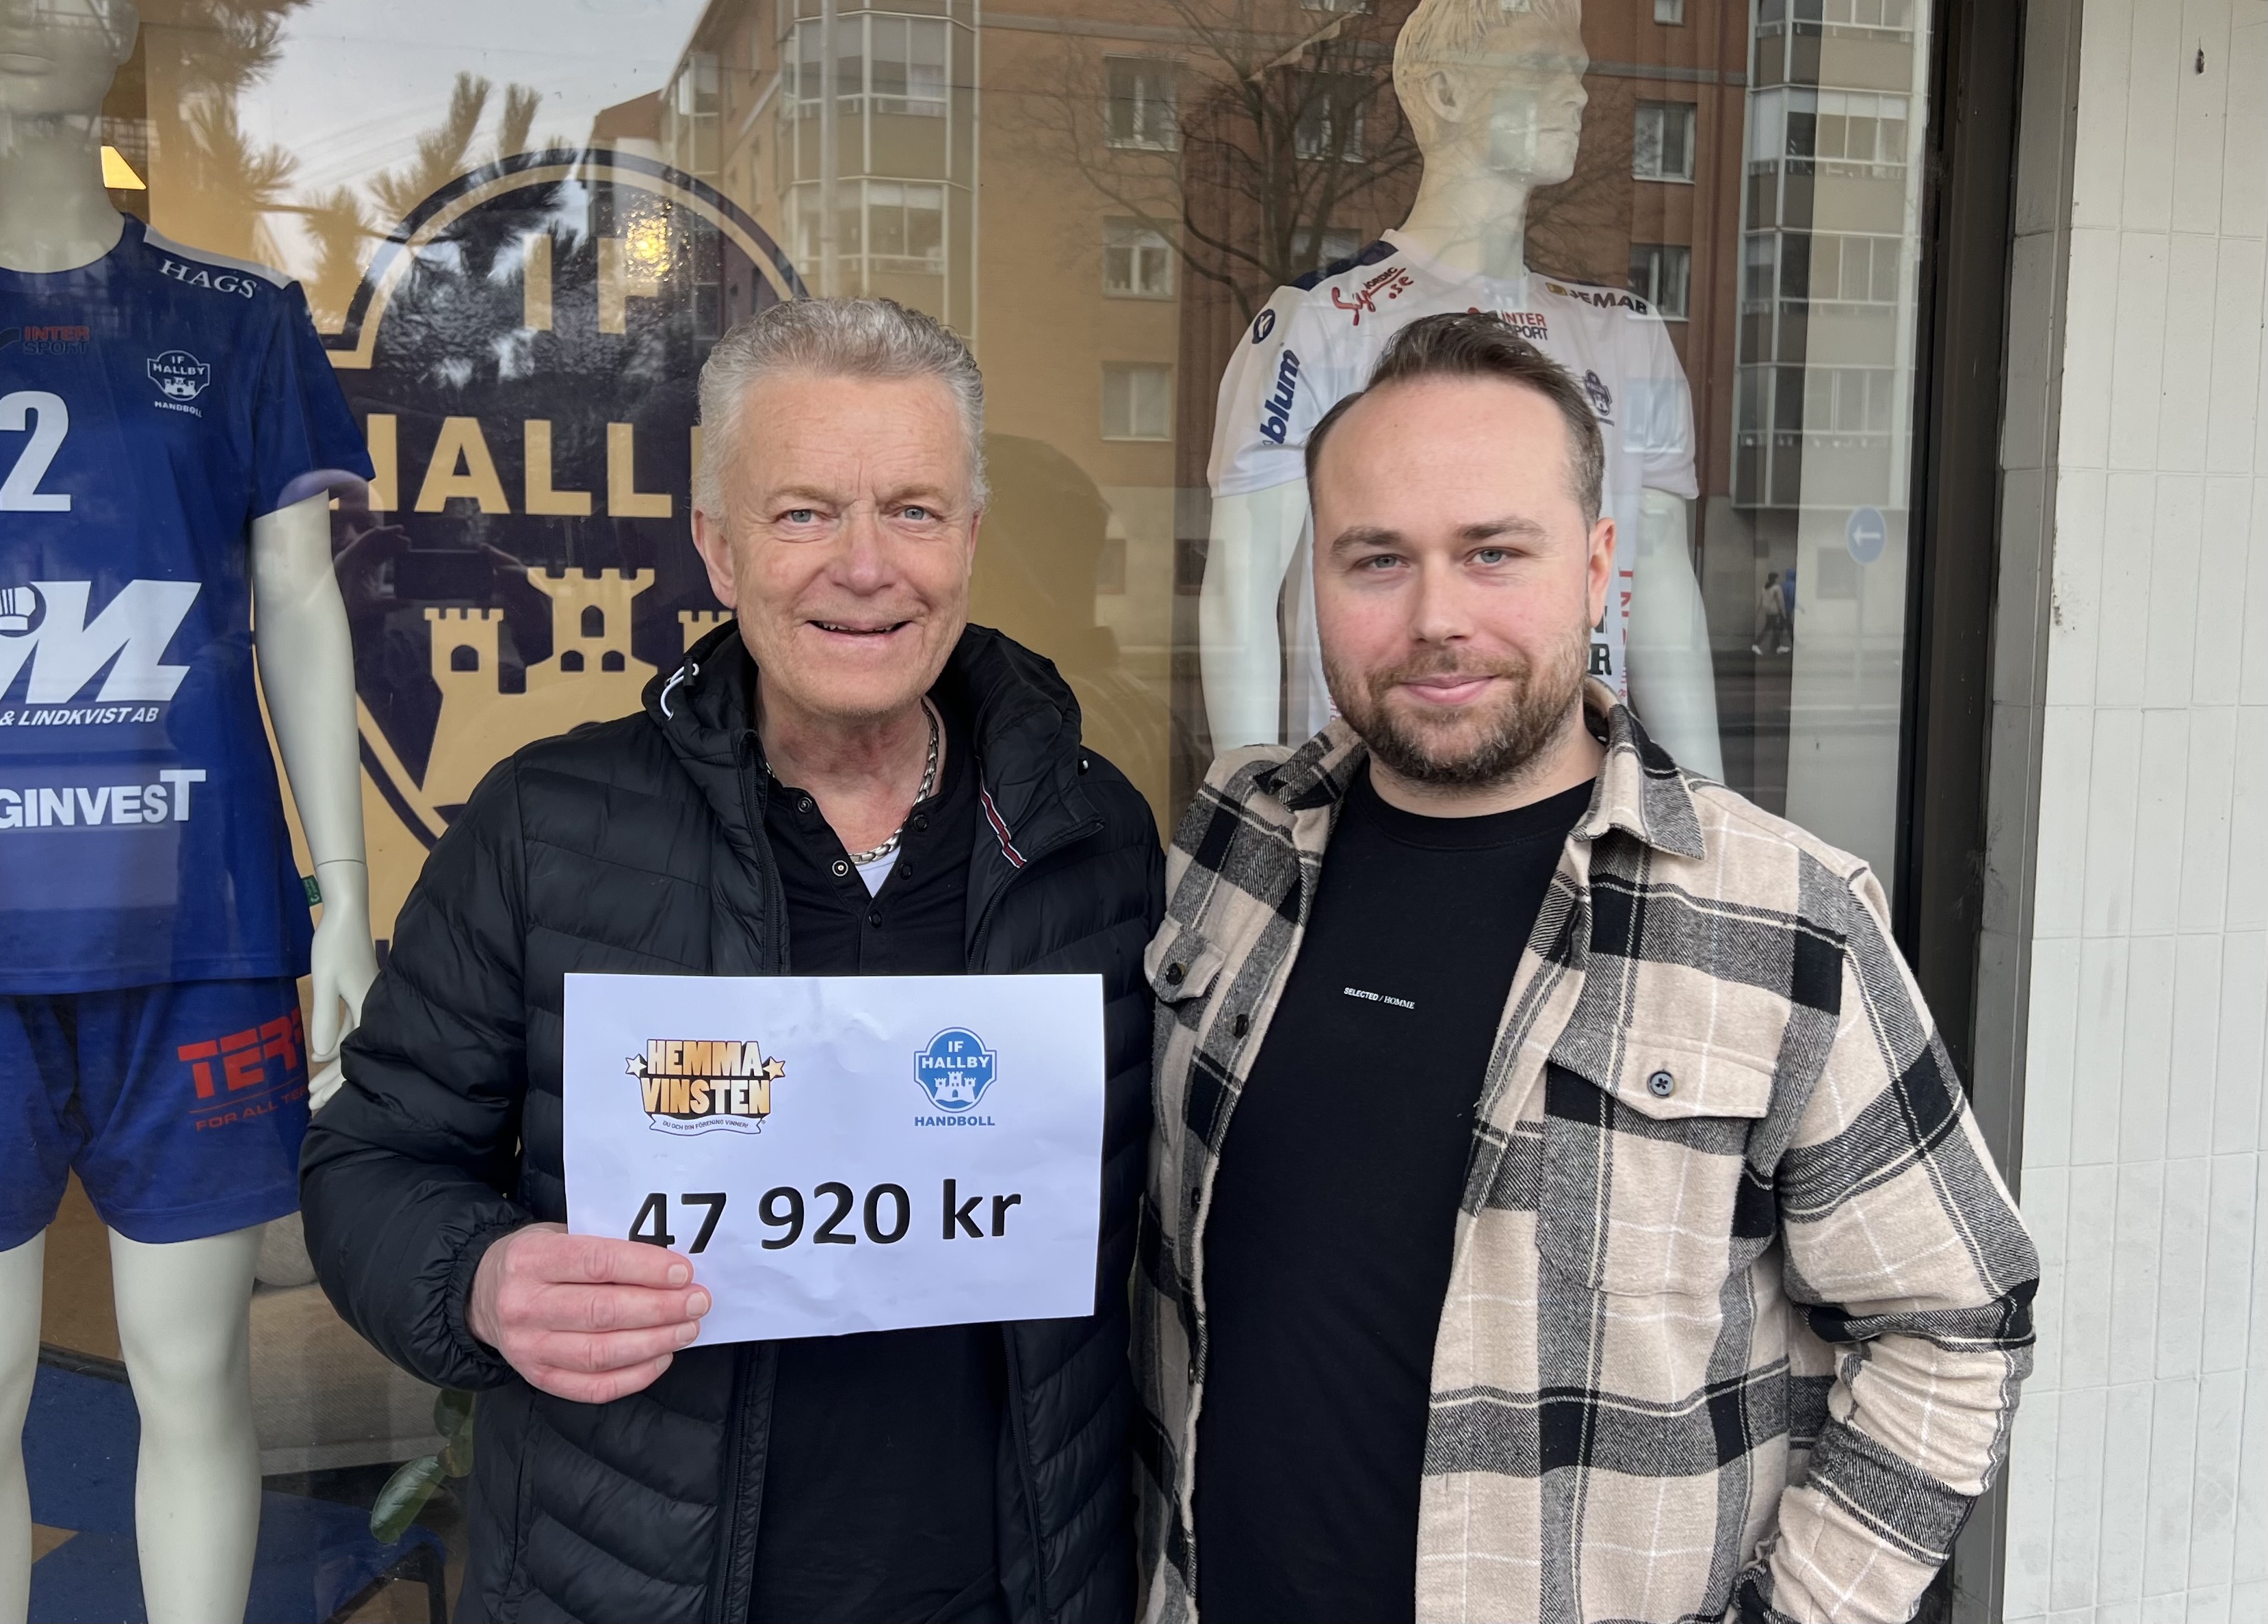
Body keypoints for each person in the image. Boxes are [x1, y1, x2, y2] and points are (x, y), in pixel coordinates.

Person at [1134, 313, 2036, 1624]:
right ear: (1311, 575)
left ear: (1600, 567)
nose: (1438, 618)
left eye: (1494, 552)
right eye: (1377, 558)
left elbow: (1955, 1322)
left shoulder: (1785, 919)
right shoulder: (1234, 842)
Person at [301, 298, 1161, 1623]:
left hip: (1011, 1589)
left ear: (970, 539)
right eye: (804, 511)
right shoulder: (545, 829)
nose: (865, 566)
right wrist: (475, 1277)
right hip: (626, 1585)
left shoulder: (1090, 837)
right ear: (715, 542)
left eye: (915, 510)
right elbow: (367, 1164)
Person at [1755, 568, 1790, 655]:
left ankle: (1778, 646)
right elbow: (1780, 601)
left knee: (1775, 628)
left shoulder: (1764, 588)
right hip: (1774, 611)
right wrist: (1784, 613)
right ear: (1775, 579)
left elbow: (1760, 601)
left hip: (1767, 611)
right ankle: (1756, 644)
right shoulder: (1777, 588)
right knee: (1768, 628)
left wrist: (1757, 612)